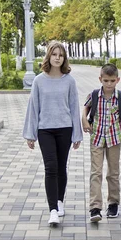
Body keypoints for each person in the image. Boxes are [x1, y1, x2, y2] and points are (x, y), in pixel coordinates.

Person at [23, 41, 83, 226]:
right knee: (51, 167)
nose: (57, 57)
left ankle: (59, 201)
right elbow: (33, 108)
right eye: (54, 54)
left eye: (61, 55)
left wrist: (77, 134)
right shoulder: (39, 80)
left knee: (61, 167)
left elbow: (74, 107)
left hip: (64, 129)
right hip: (45, 130)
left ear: (64, 58)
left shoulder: (69, 80)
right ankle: (53, 211)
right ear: (48, 56)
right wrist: (30, 133)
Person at [82, 64, 121, 223]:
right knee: (96, 172)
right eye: (106, 80)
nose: (109, 84)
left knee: (113, 172)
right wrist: (84, 120)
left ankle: (113, 203)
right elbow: (86, 108)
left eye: (112, 80)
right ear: (100, 79)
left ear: (118, 80)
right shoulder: (95, 95)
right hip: (96, 137)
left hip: (114, 138)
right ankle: (95, 207)